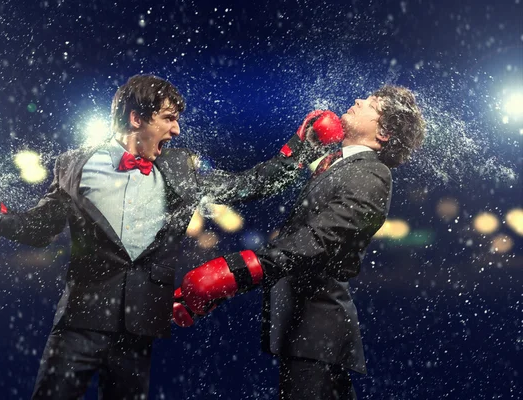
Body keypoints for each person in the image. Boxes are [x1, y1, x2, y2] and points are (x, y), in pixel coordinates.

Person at [0, 74, 344, 400]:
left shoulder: (179, 167)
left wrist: (301, 147)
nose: (176, 129)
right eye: (168, 118)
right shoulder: (73, 164)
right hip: (79, 322)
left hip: (140, 327)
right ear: (137, 118)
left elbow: (247, 185)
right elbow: (39, 229)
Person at [174, 85, 426, 400]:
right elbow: (253, 186)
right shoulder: (336, 162)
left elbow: (318, 241)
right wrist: (299, 148)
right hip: (309, 330)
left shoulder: (371, 174)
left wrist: (234, 272)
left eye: (372, 104)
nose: (359, 99)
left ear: (384, 133)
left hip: (318, 328)